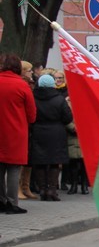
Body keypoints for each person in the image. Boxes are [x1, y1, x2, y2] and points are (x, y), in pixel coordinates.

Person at [0, 54, 37, 214]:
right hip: (16, 132)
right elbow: (32, 115)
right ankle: (12, 202)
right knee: (14, 169)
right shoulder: (22, 86)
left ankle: (0, 201)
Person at [29, 74, 73, 202]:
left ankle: (42, 189)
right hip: (56, 132)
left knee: (40, 162)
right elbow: (68, 118)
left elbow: (30, 114)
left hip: (38, 131)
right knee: (54, 162)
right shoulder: (59, 99)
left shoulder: (33, 97)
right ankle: (52, 190)